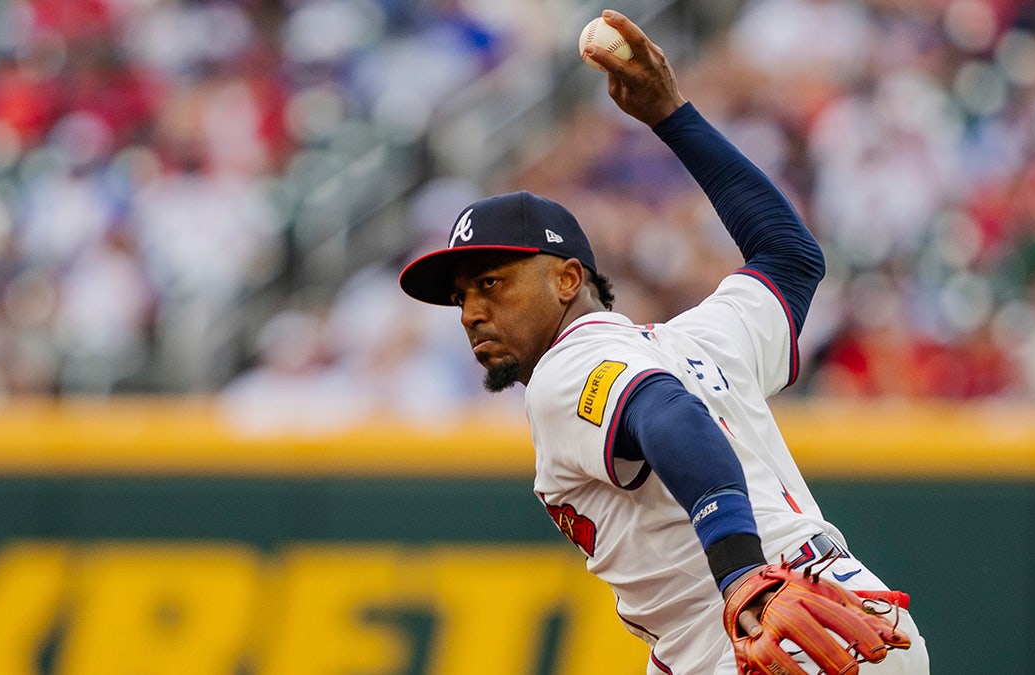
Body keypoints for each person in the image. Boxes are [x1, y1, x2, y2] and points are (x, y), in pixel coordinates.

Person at [398, 9, 929, 674]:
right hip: (852, 614)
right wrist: (673, 116)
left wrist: (742, 576)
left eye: (492, 282)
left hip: (773, 637)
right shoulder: (703, 338)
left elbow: (668, 413)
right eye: (461, 296)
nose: (471, 310)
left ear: (568, 278)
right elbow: (789, 257)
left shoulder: (571, 366)